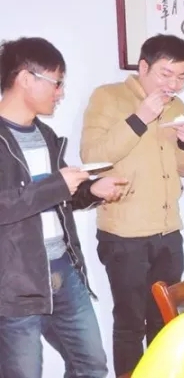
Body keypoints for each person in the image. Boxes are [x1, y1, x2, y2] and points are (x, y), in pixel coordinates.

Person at [0, 37, 126, 378]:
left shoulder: (45, 134)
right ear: (26, 78)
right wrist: (57, 185)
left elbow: (59, 196)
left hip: (64, 270)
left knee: (91, 365)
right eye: (56, 83)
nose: (61, 93)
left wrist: (92, 190)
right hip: (15, 282)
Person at [79, 34, 184, 376]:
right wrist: (140, 117)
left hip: (169, 232)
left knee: (164, 319)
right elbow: (93, 157)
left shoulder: (176, 105)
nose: (173, 84)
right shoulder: (108, 97)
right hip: (125, 235)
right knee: (130, 325)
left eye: (181, 77)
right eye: (166, 74)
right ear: (143, 67)